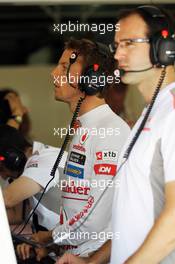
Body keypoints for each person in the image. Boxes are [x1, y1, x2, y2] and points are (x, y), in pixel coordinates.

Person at [56, 5, 175, 264]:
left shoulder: (172, 114)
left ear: (163, 48)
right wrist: (92, 261)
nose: (118, 54)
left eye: (129, 43)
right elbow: (127, 216)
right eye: (116, 45)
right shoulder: (149, 116)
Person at [16, 38, 130, 261]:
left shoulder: (110, 130)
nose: (53, 73)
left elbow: (95, 216)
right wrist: (55, 245)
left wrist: (50, 236)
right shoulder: (85, 128)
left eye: (65, 67)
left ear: (91, 80)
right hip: (75, 254)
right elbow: (77, 205)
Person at [0, 124, 67, 231]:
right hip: (54, 240)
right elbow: (16, 215)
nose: (3, 176)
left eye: (1, 169)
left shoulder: (45, 160)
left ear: (13, 158)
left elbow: (7, 199)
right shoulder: (28, 167)